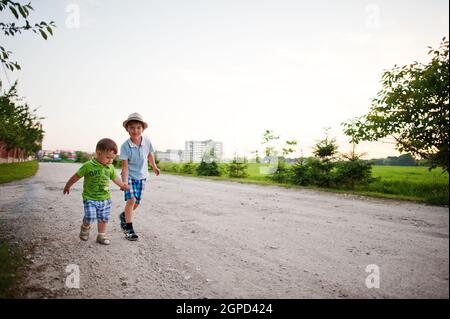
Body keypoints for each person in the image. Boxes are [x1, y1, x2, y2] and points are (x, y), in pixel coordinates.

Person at [63, 138, 129, 245]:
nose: (110, 161)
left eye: (112, 158)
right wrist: (68, 185)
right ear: (98, 153)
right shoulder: (88, 165)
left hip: (105, 198)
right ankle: (85, 227)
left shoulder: (110, 167)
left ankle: (101, 235)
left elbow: (115, 178)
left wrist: (122, 185)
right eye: (108, 157)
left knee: (103, 218)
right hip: (90, 197)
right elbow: (76, 176)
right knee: (90, 216)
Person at [119, 112, 160, 241]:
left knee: (136, 203)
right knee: (131, 201)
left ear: (142, 129)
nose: (135, 130)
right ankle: (129, 229)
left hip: (142, 176)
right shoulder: (125, 146)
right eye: (132, 127)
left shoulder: (147, 141)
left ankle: (124, 216)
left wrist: (154, 166)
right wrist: (125, 182)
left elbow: (149, 155)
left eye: (138, 127)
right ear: (127, 129)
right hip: (129, 176)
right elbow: (125, 166)